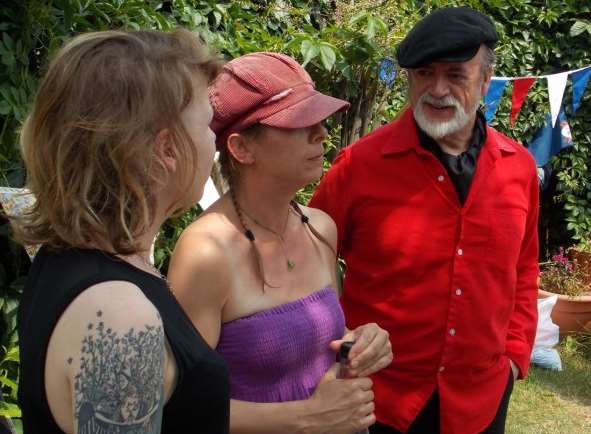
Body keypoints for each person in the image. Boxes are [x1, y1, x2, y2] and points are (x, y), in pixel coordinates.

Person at [310, 7, 539, 434]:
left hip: (482, 401)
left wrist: (513, 356)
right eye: (423, 74)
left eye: (456, 75)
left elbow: (523, 270)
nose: (436, 89)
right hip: (380, 402)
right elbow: (305, 260)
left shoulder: (519, 168)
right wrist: (339, 344)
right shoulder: (359, 166)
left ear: (486, 81)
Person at [16, 30, 230, 433]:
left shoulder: (69, 256)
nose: (214, 139)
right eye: (207, 123)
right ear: (167, 150)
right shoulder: (119, 315)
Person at [167, 52, 393, 433]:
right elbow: (181, 406)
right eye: (298, 121)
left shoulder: (319, 227)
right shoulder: (206, 252)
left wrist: (361, 344)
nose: (321, 132)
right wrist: (307, 418)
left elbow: (316, 347)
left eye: (319, 118)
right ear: (241, 148)